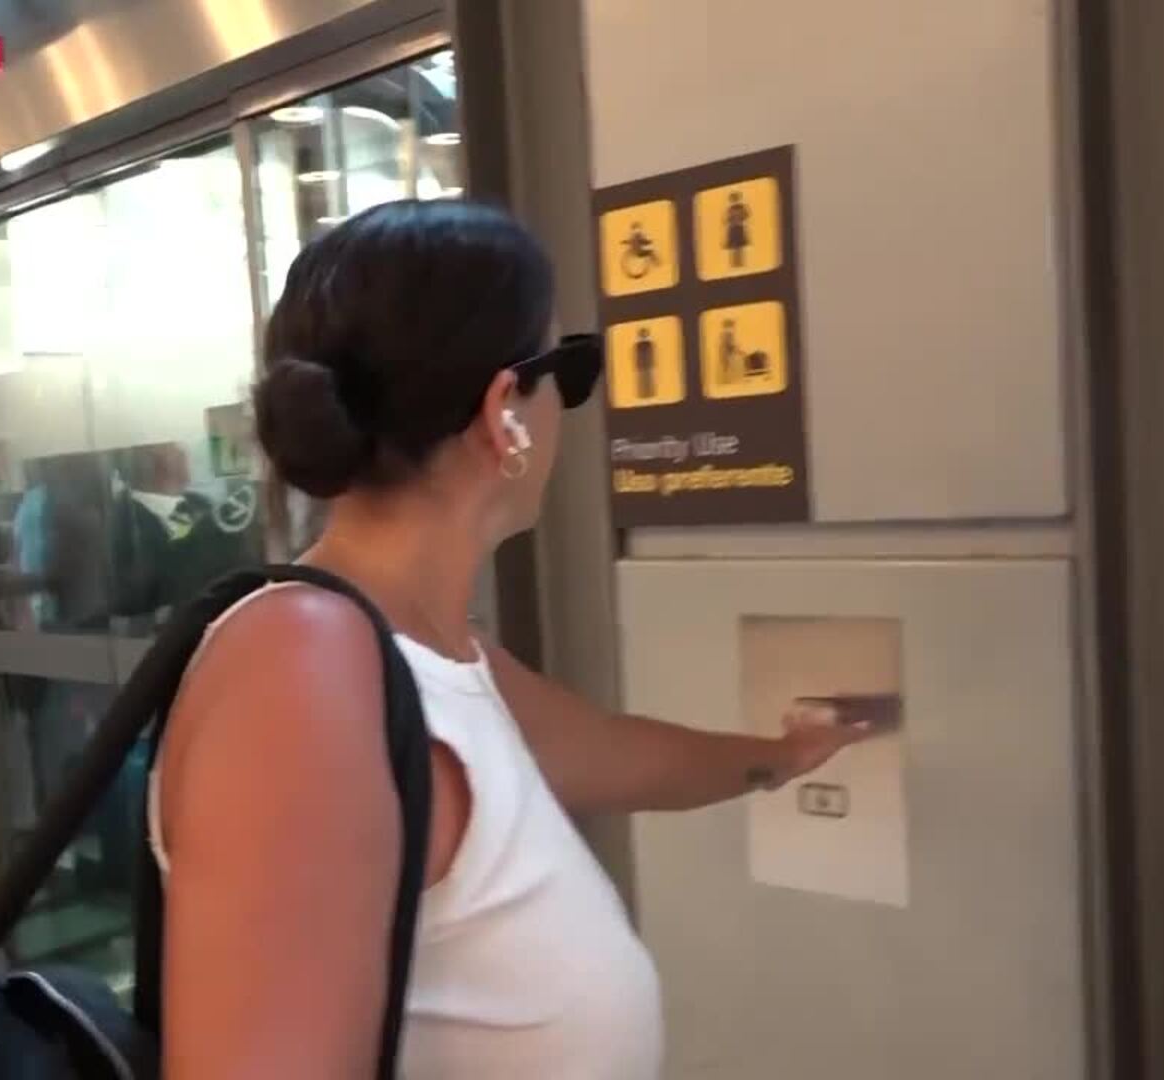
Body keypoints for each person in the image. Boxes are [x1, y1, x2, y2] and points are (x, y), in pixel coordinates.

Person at [153, 200, 869, 1078]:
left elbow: (618, 756)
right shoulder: (302, 669)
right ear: (506, 413)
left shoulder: (430, 657)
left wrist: (784, 757)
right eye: (570, 370)